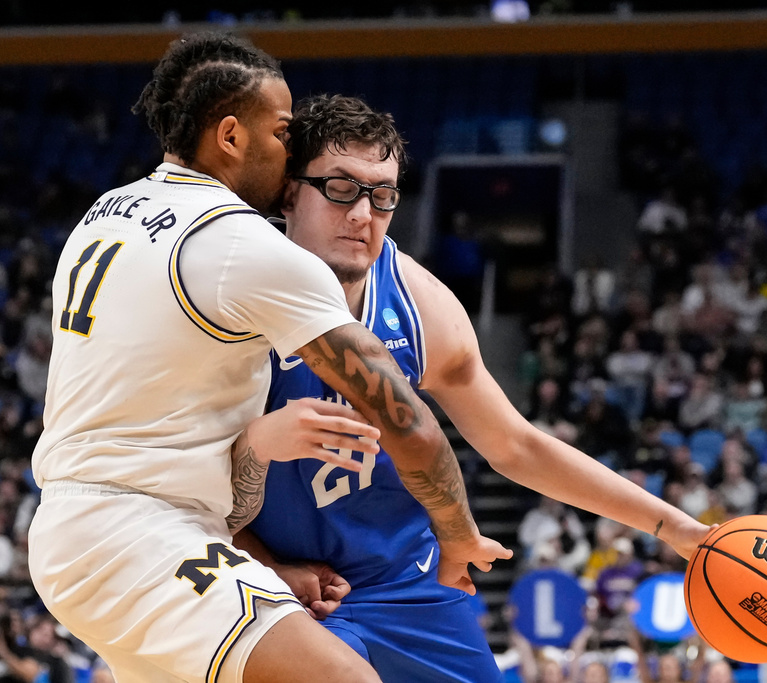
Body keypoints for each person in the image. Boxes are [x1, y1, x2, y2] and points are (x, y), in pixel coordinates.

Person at [26, 32, 508, 683]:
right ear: (230, 136)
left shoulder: (107, 212)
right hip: (139, 532)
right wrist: (457, 534)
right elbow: (411, 423)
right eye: (282, 134)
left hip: (90, 528)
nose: (291, 152)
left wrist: (263, 563)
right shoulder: (240, 243)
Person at [232, 94, 714, 682]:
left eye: (382, 194)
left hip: (406, 583)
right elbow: (170, 470)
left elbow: (515, 446)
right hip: (278, 590)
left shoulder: (421, 306)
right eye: (341, 188)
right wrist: (260, 565)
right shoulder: (228, 301)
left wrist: (675, 527)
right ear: (288, 193)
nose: (363, 213)